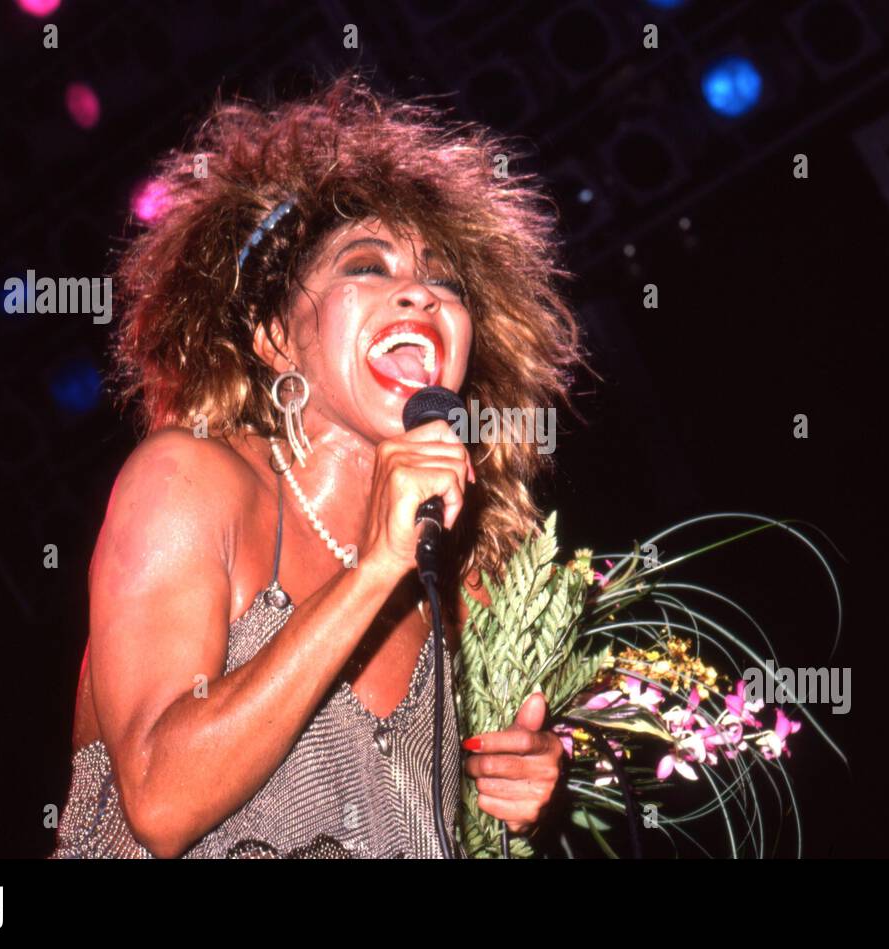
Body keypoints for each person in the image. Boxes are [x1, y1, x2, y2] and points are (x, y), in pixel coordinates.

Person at [51, 74, 588, 858]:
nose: (419, 295)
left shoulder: (458, 582)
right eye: (367, 267)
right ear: (274, 337)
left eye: (444, 280)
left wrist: (522, 786)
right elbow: (160, 800)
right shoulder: (189, 482)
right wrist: (373, 570)